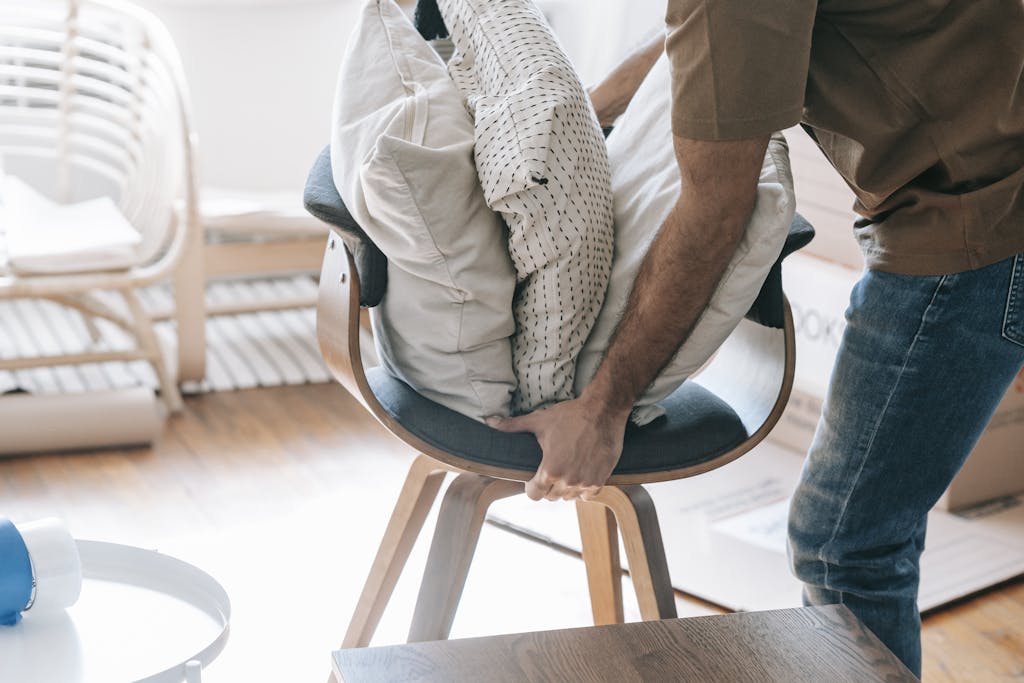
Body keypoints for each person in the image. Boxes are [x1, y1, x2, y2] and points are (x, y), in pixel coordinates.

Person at [488, 0, 1024, 675]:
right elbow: (710, 47)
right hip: (996, 179)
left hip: (976, 228)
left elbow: (717, 206)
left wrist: (603, 408)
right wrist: (582, 115)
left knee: (844, 544)